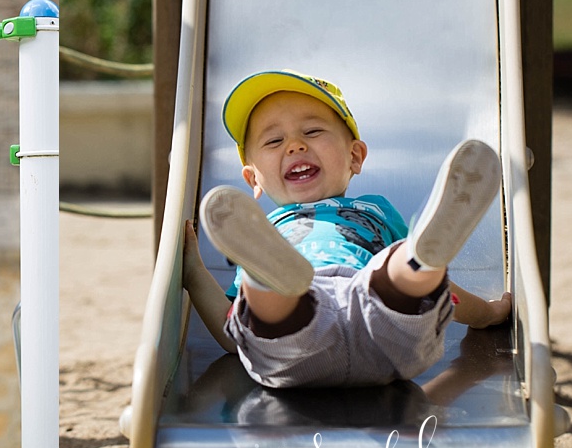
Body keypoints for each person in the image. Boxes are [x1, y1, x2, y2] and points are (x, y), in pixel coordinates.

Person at [181, 69, 512, 388]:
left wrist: (487, 312)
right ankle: (276, 285)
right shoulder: (260, 234)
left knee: (402, 267)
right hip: (300, 338)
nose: (294, 145)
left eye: (312, 132)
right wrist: (194, 274)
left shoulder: (376, 209)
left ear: (355, 156)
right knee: (266, 302)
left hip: (373, 309)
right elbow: (231, 335)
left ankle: (421, 257)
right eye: (274, 140)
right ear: (253, 178)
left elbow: (444, 290)